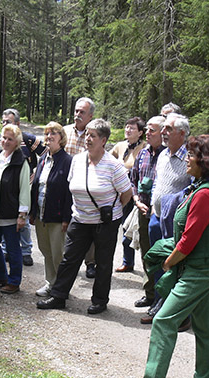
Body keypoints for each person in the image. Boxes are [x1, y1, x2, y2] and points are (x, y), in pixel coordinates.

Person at [120, 135, 209, 378]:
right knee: (205, 326)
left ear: (202, 161)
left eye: (191, 155)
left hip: (199, 269)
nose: (187, 160)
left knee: (164, 321)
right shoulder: (207, 188)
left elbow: (188, 240)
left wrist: (168, 262)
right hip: (206, 266)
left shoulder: (206, 193)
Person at [37, 119, 133, 314]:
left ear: (104, 140)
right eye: (87, 135)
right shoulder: (78, 160)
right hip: (80, 219)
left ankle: (99, 300)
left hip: (105, 223)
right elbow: (72, 186)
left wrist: (112, 211)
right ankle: (58, 296)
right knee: (69, 259)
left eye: (93, 136)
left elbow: (127, 193)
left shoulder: (113, 166)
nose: (87, 139)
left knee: (103, 262)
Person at [141, 113, 194, 326]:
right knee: (156, 262)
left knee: (175, 266)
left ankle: (177, 312)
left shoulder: (190, 157)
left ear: (182, 133)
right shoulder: (163, 154)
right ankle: (158, 302)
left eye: (168, 129)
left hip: (176, 223)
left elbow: (193, 190)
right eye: (163, 129)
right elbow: (157, 183)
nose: (163, 132)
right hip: (156, 217)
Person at [0, 108, 44, 267]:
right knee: (5, 221)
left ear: (18, 124)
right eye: (3, 121)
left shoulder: (29, 140)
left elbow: (47, 153)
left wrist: (36, 174)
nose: (5, 124)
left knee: (23, 221)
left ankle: (26, 251)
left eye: (9, 122)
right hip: (3, 191)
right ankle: (6, 250)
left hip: (25, 187)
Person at [0, 124, 31, 294]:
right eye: (4, 138)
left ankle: (14, 281)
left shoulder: (21, 162)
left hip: (10, 213)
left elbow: (25, 189)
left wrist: (22, 215)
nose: (6, 141)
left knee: (12, 248)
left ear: (17, 142)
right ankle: (0, 274)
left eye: (10, 139)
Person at [30, 122, 73, 297]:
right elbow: (36, 187)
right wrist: (33, 212)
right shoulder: (43, 160)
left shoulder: (68, 161)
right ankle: (51, 283)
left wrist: (66, 218)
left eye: (53, 133)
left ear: (61, 138)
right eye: (46, 134)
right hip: (41, 214)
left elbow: (69, 192)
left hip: (57, 217)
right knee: (46, 251)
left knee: (58, 254)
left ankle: (61, 288)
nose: (49, 137)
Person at [130, 116, 166, 310]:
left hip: (160, 214)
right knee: (146, 254)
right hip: (142, 210)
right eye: (148, 130)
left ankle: (162, 298)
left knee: (162, 256)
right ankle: (150, 294)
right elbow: (133, 179)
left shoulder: (167, 155)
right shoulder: (143, 154)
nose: (148, 133)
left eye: (153, 130)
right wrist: (136, 200)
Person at [64, 97, 98, 278]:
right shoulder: (65, 131)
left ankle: (90, 262)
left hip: (86, 187)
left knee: (87, 224)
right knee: (66, 223)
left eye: (82, 112)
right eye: (76, 111)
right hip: (65, 185)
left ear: (90, 116)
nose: (77, 114)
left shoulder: (94, 134)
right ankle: (67, 259)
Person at [110, 117, 147, 273]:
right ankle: (126, 261)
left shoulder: (145, 148)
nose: (127, 130)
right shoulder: (120, 146)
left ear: (140, 133)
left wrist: (129, 173)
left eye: (132, 128)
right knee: (116, 227)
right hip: (117, 192)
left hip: (134, 194)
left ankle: (130, 261)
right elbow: (108, 161)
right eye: (126, 127)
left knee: (128, 228)